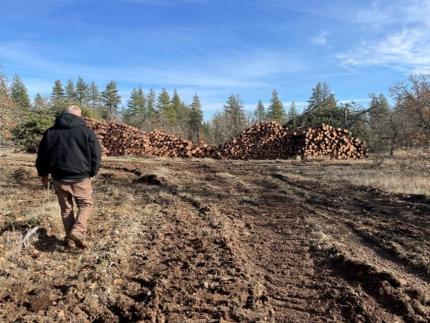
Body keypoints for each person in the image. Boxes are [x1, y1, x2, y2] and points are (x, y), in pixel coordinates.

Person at [36, 105, 101, 249]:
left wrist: (43, 174)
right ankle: (77, 231)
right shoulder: (87, 132)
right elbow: (96, 154)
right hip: (80, 178)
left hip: (59, 178)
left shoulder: (50, 132)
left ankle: (69, 240)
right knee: (85, 204)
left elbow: (42, 155)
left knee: (66, 209)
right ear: (79, 116)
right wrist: (92, 173)